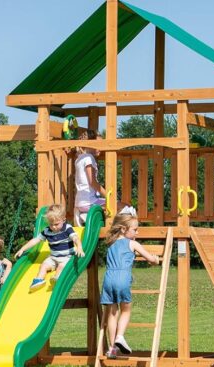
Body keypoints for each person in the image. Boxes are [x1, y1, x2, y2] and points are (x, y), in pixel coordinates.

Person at [100, 212, 159, 359]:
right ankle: (120, 336)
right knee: (125, 310)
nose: (137, 232)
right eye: (135, 230)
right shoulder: (132, 243)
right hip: (122, 278)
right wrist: (156, 260)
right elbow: (150, 258)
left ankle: (112, 349)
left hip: (108, 279)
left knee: (112, 314)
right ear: (123, 229)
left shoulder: (111, 244)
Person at [15, 204, 84, 291]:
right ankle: (39, 280)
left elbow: (75, 238)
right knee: (43, 265)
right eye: (51, 224)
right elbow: (36, 240)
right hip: (53, 258)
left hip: (66, 257)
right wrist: (23, 248)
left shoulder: (67, 228)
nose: (54, 227)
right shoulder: (47, 231)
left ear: (63, 220)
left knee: (61, 267)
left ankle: (57, 278)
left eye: (56, 224)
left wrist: (79, 247)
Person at [74, 130, 107, 225]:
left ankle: (85, 215)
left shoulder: (79, 158)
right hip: (89, 202)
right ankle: (86, 216)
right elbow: (92, 182)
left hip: (80, 203)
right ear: (89, 144)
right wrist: (108, 195)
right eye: (98, 144)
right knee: (120, 206)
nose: (101, 147)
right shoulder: (89, 158)